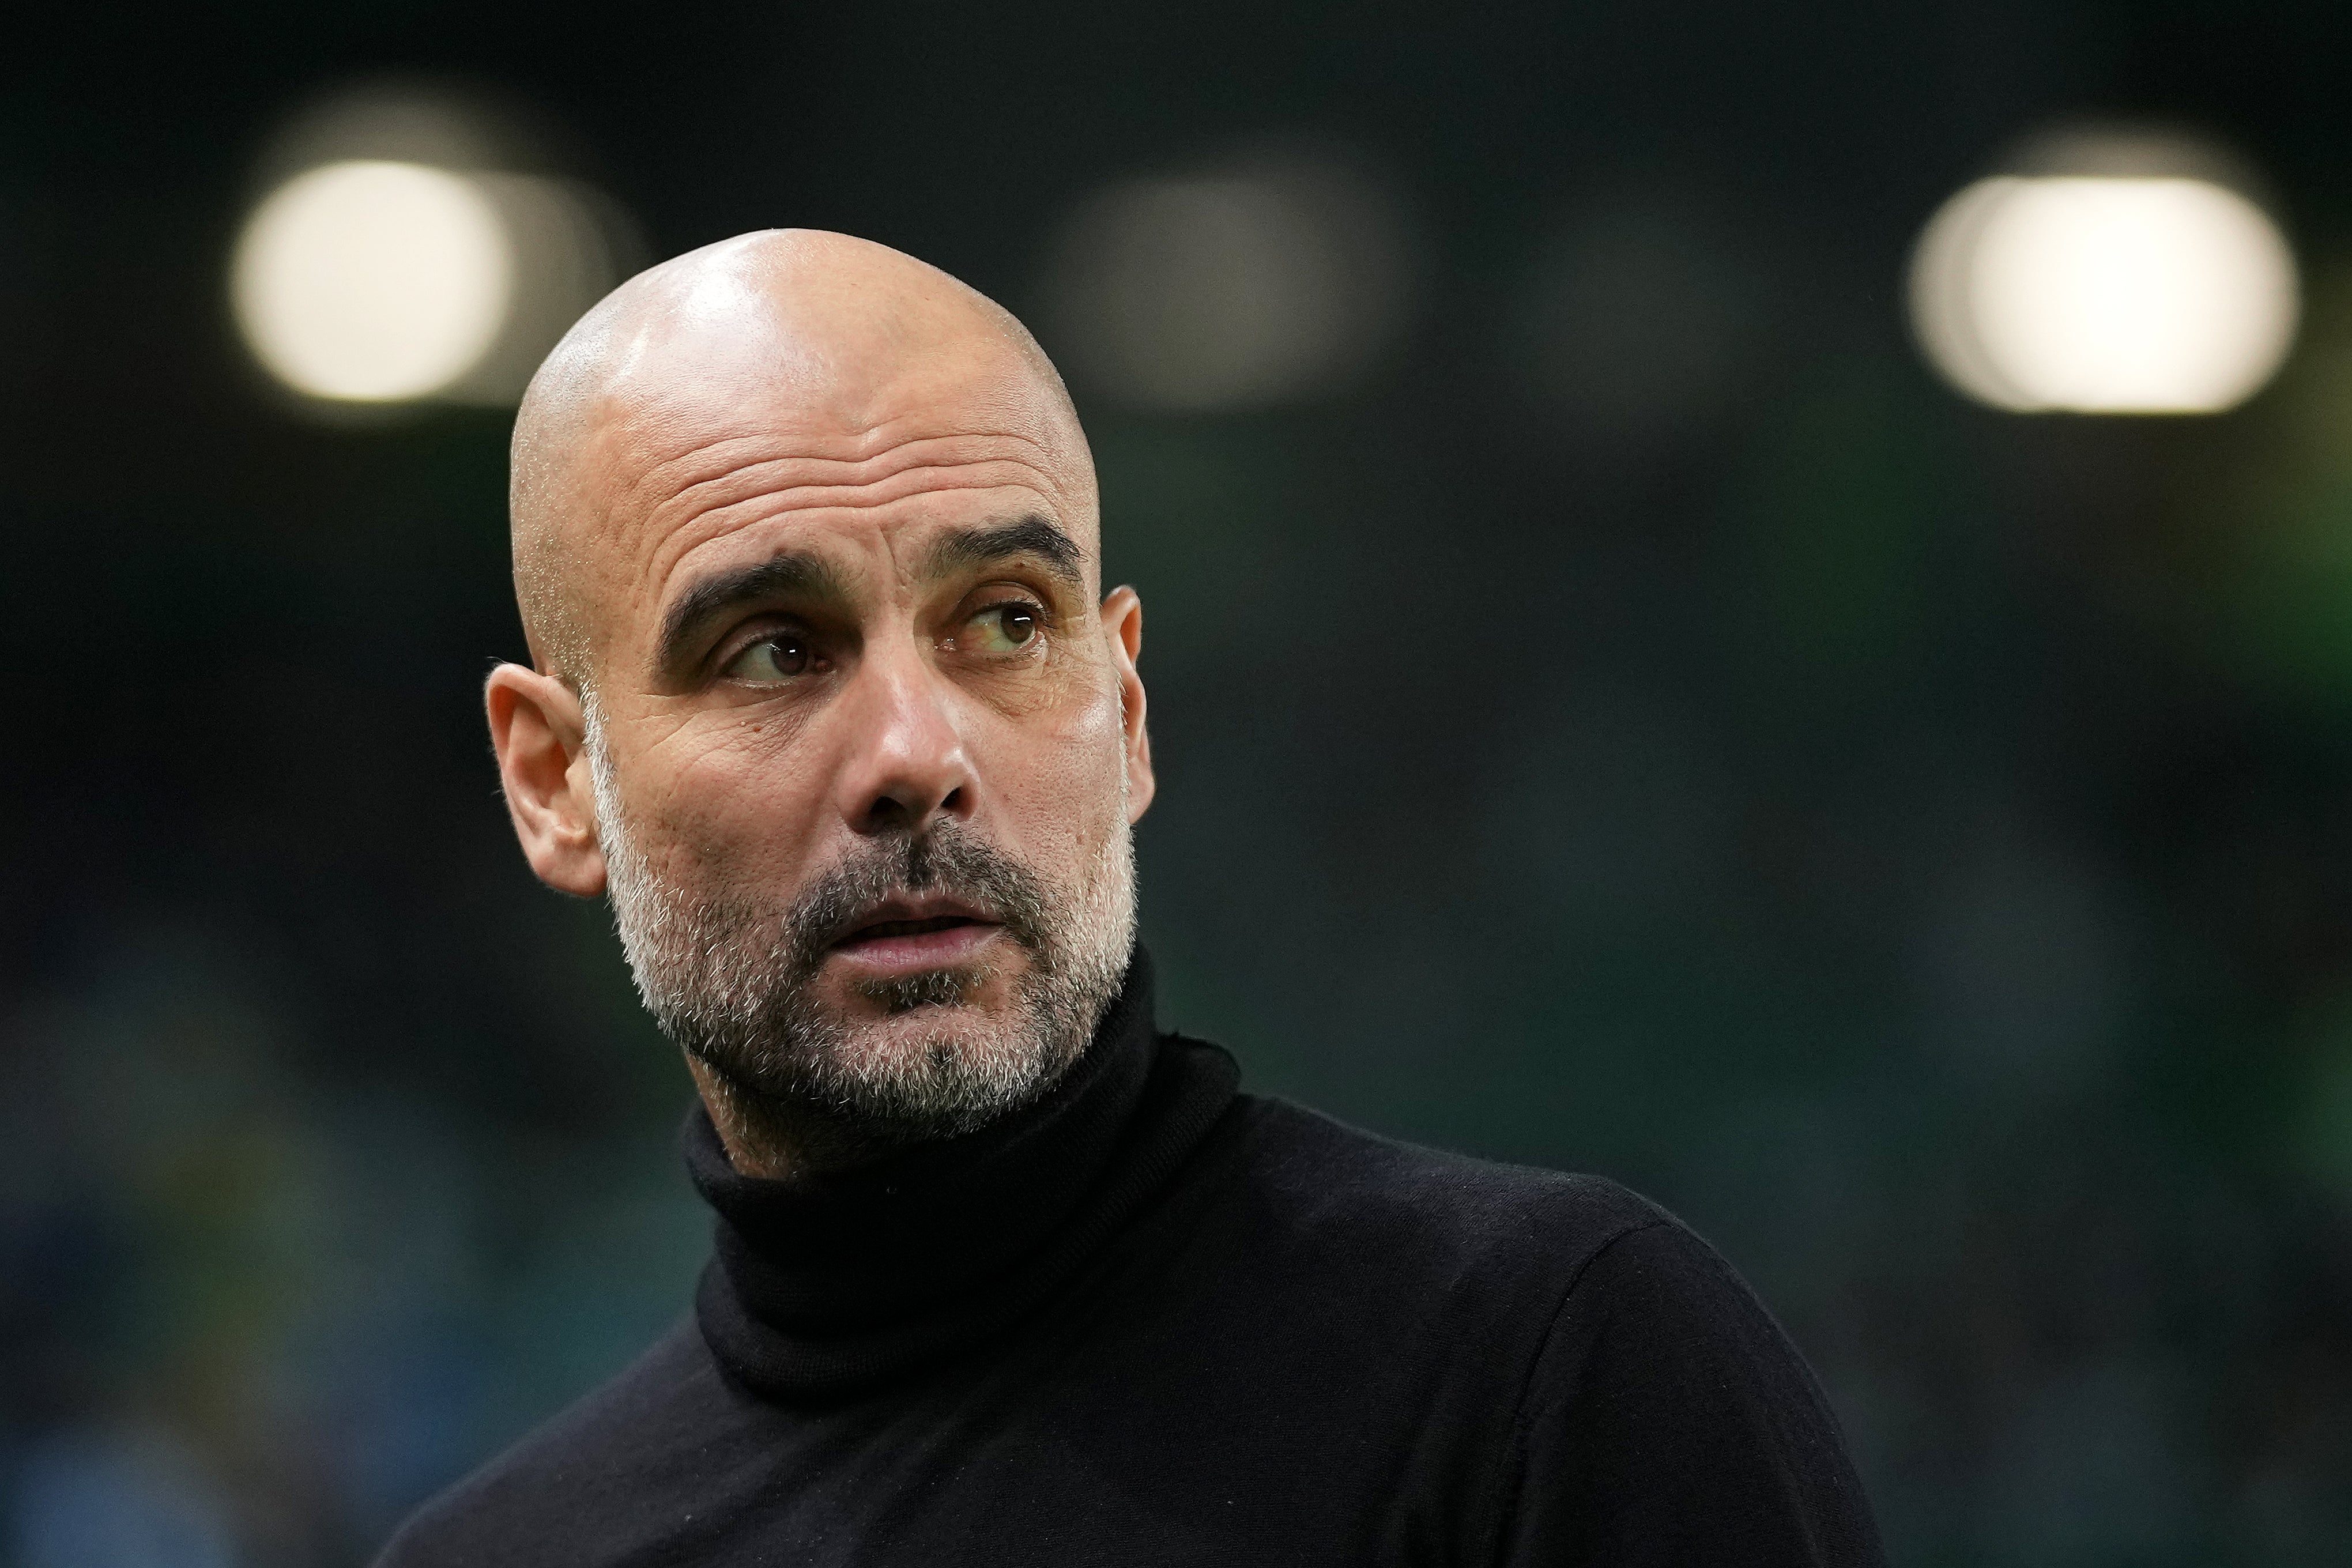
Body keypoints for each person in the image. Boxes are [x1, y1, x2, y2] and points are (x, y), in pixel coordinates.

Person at [375, 230, 1885, 1566]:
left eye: (1006, 623)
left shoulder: (1550, 1375)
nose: (917, 755)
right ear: (558, 781)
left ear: (1130, 711)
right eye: (775, 648)